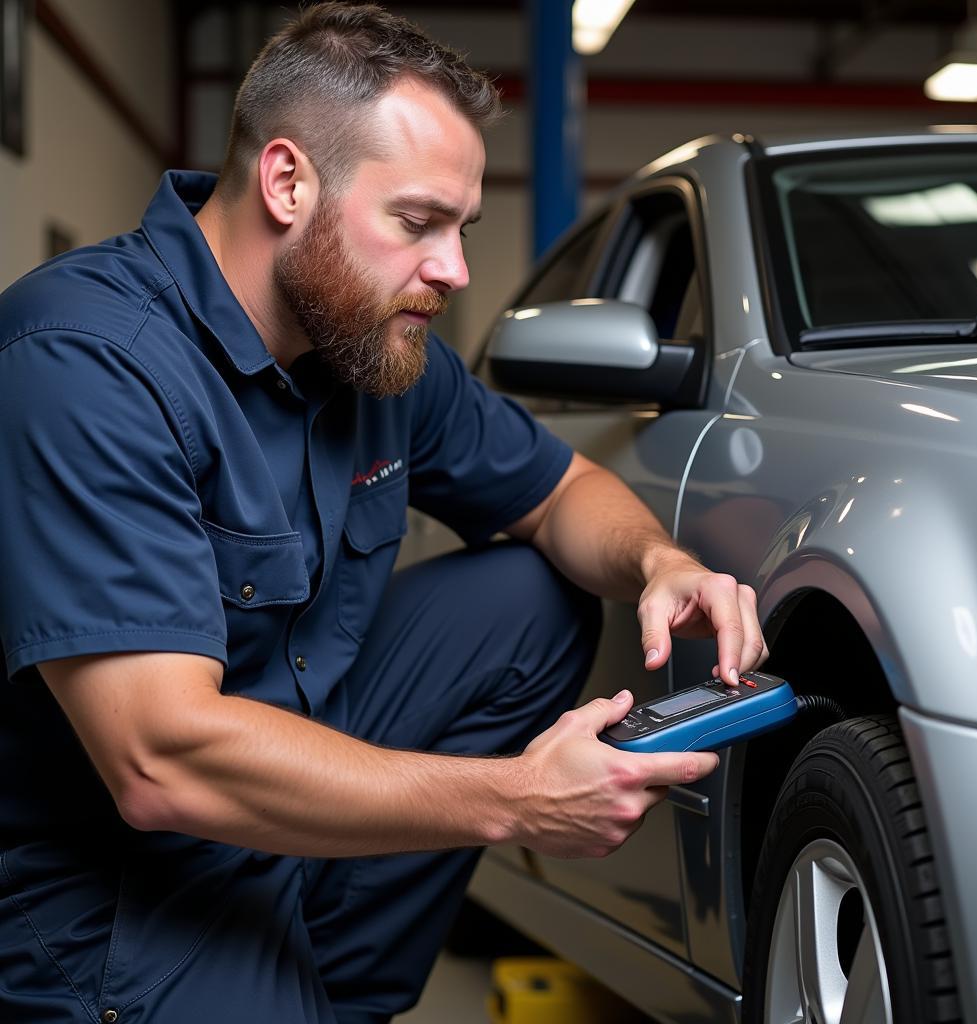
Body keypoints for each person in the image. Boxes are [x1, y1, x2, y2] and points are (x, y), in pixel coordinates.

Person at [0, 4, 766, 1021]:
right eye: (417, 223)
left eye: (461, 229)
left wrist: (658, 563)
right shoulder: (84, 362)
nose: (452, 269)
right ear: (286, 183)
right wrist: (516, 801)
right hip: (119, 902)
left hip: (277, 814)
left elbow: (561, 492)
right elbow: (157, 760)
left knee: (529, 591)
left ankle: (333, 995)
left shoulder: (371, 353)